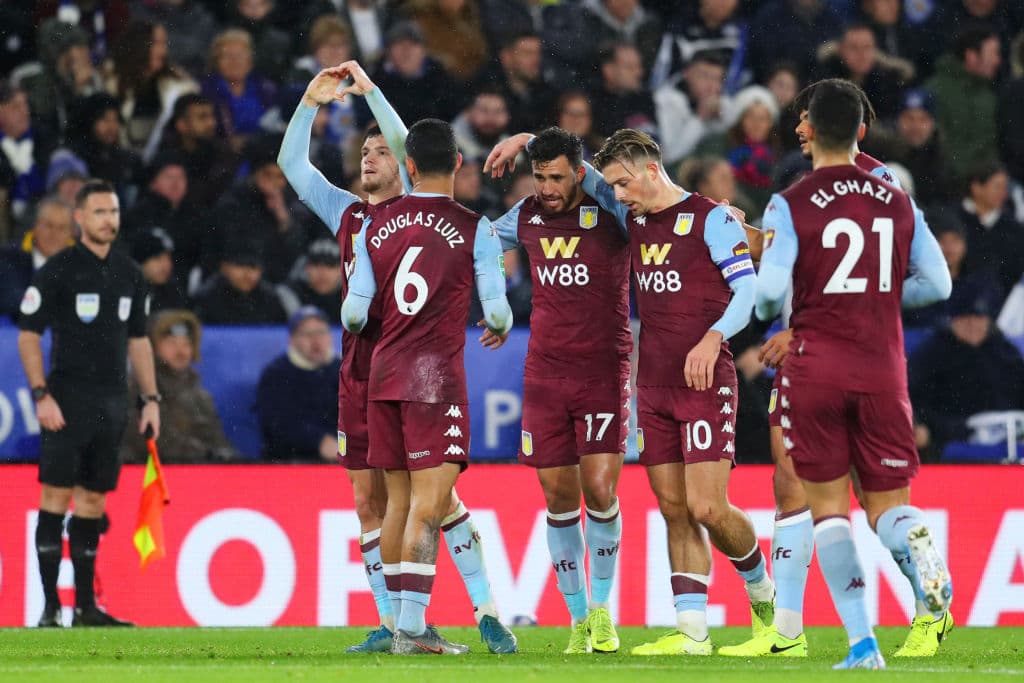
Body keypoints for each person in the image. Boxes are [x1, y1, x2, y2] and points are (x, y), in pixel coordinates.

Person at [278, 61, 517, 654]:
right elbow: (291, 167)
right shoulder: (347, 214)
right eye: (364, 148)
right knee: (371, 501)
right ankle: (395, 625)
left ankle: (482, 609)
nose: (369, 157)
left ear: (405, 164)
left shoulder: (410, 210)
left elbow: (419, 151)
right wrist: (310, 102)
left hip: (405, 362)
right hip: (361, 369)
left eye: (382, 150)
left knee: (431, 499)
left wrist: (373, 93)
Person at [754, 79, 953, 669]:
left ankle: (863, 644)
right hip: (882, 367)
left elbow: (768, 298)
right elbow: (939, 285)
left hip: (816, 363)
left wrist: (799, 298)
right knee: (889, 506)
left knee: (829, 511)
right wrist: (876, 302)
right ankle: (914, 540)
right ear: (860, 128)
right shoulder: (894, 195)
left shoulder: (790, 201)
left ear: (814, 127)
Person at [725, 78, 909, 659]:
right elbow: (800, 254)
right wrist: (750, 236)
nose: (799, 129)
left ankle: (928, 609)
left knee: (856, 496)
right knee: (789, 482)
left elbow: (870, 282)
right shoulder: (814, 181)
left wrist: (801, 326)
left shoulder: (878, 185)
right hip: (812, 352)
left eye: (806, 119)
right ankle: (787, 628)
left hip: (835, 354)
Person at [341, 105, 513, 652]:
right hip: (435, 379)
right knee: (428, 505)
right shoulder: (476, 228)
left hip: (382, 376)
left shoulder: (373, 224)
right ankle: (413, 632)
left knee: (395, 503)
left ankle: (396, 625)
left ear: (409, 166)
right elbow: (500, 312)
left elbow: (351, 313)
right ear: (459, 163)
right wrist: (495, 322)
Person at [481, 126, 632, 654]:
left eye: (557, 177)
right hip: (544, 373)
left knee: (601, 491)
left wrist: (525, 136)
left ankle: (603, 611)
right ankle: (576, 621)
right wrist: (494, 302)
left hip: (603, 371)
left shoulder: (610, 206)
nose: (546, 187)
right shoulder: (523, 215)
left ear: (580, 171)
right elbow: (477, 243)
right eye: (539, 175)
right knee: (558, 497)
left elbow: (634, 194)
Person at [18, 178, 159, 627]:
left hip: (112, 404)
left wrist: (150, 399)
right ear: (79, 218)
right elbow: (27, 335)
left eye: (114, 212)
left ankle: (84, 606)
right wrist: (41, 394)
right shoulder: (58, 270)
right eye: (100, 212)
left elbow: (138, 340)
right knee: (56, 496)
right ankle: (48, 607)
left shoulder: (130, 274)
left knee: (94, 501)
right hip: (66, 400)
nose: (109, 220)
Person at [911, 279, 1024, 459]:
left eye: (978, 318)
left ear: (989, 320)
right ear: (953, 320)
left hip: (1008, 443)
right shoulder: (930, 355)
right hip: (948, 445)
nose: (972, 324)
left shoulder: (1007, 353)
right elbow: (913, 401)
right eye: (965, 318)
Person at [120, 309, 239, 464]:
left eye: (186, 344)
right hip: (148, 472)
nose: (180, 351)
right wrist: (206, 454)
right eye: (171, 343)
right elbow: (151, 440)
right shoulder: (139, 387)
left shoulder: (198, 393)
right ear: (152, 347)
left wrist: (226, 455)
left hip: (196, 470)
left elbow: (215, 437)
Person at [255, 306, 341, 463]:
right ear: (292, 340)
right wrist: (318, 441)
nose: (316, 340)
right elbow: (276, 424)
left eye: (321, 333)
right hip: (289, 461)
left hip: (341, 458)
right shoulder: (276, 374)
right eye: (307, 334)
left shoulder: (344, 370)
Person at [0, 197, 73, 322]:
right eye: (49, 225)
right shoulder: (8, 261)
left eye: (61, 228)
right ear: (36, 226)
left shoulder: (80, 267)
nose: (54, 234)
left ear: (70, 233)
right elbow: (11, 301)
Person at [130, 227, 186, 313]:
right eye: (158, 258)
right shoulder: (124, 291)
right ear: (140, 262)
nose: (167, 265)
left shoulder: (173, 292)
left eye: (169, 258)